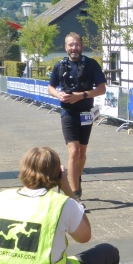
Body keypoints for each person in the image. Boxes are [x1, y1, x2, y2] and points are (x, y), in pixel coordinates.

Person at [48, 33, 107, 201]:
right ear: (65, 47)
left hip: (86, 112)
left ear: (81, 46)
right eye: (71, 45)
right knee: (73, 151)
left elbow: (102, 89)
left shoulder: (91, 64)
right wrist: (58, 94)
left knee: (81, 152)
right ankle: (74, 194)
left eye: (77, 45)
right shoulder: (60, 65)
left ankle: (76, 179)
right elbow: (50, 87)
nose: (74, 48)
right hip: (68, 113)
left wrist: (82, 95)